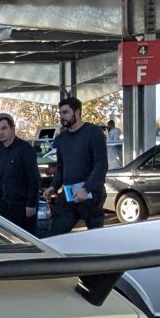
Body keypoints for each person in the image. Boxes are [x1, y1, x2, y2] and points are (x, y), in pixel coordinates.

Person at [45, 95, 108, 234]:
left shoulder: (93, 132)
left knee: (96, 237)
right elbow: (61, 168)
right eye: (60, 113)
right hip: (69, 195)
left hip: (92, 195)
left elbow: (101, 165)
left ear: (77, 112)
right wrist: (53, 187)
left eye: (66, 112)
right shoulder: (62, 139)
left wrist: (86, 189)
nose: (62, 117)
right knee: (55, 235)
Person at [0, 113, 41, 231]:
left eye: (4, 128)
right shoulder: (0, 152)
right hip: (5, 206)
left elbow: (34, 178)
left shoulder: (25, 149)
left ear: (12, 128)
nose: (0, 133)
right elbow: (0, 179)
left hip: (22, 207)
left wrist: (31, 204)